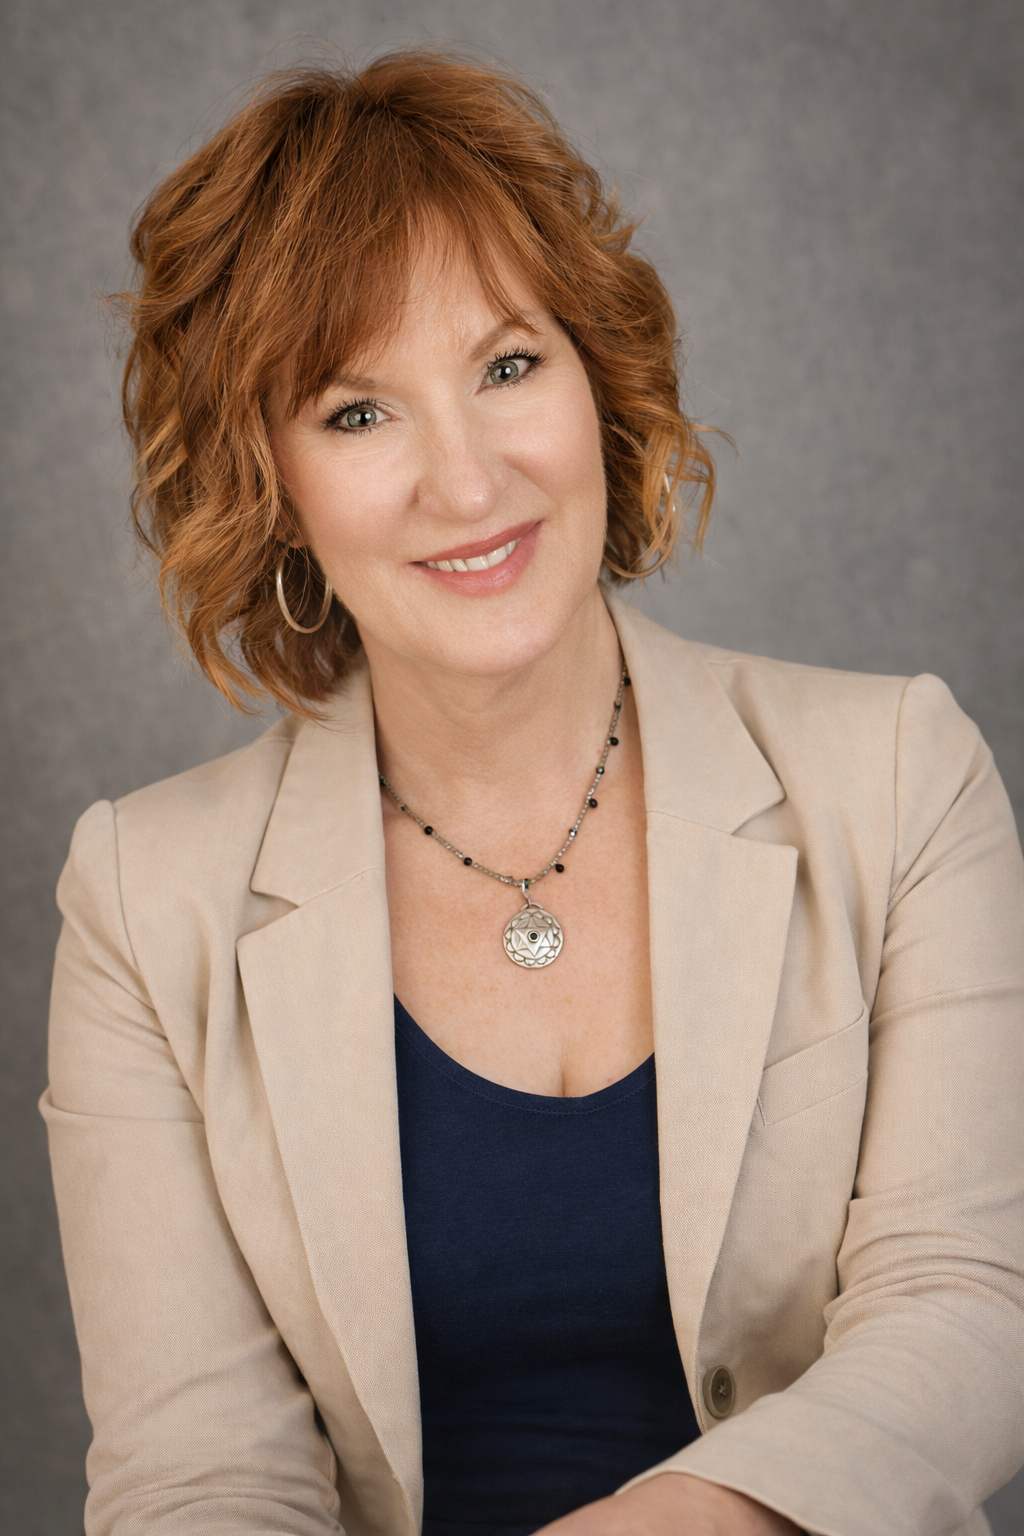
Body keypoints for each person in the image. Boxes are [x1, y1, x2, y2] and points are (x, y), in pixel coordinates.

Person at [43, 49, 1024, 1536]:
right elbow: (202, 1481)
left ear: (597, 381)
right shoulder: (140, 900)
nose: (469, 479)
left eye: (508, 367)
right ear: (273, 487)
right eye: (357, 412)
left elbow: (970, 1304)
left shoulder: (897, 777)